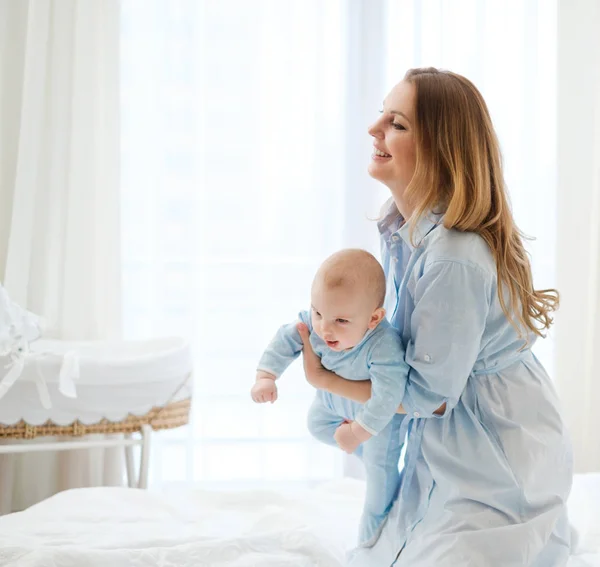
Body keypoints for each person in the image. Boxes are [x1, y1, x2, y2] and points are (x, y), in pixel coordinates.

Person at [295, 68, 573, 566]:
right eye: (382, 114)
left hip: (492, 447)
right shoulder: (402, 225)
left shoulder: (452, 257)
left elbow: (428, 396)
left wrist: (325, 379)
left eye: (397, 123)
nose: (374, 128)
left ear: (438, 149)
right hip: (451, 434)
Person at [251, 248, 408, 543]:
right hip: (333, 405)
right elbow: (286, 339)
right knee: (316, 426)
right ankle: (364, 451)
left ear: (373, 319)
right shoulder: (314, 325)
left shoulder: (384, 345)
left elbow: (390, 394)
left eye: (341, 321)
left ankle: (369, 547)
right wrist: (266, 376)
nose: (324, 328)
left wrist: (359, 432)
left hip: (376, 420)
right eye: (318, 312)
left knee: (378, 488)